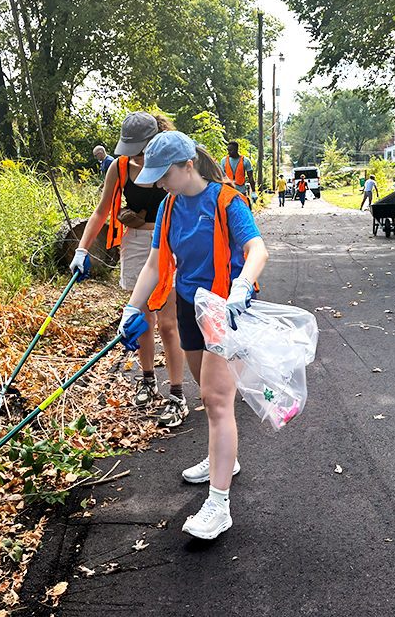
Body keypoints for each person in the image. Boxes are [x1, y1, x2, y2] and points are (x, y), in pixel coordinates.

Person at [118, 130, 268, 540]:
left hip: (226, 308)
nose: (159, 184)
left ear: (188, 167)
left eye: (164, 175)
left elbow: (257, 250)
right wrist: (133, 307)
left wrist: (242, 285)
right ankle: (224, 456)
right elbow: (154, 263)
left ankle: (219, 505)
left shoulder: (226, 200)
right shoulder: (168, 206)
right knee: (208, 392)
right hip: (189, 306)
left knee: (217, 401)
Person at [72, 112, 188, 428]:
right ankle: (148, 380)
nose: (136, 154)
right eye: (132, 148)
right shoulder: (119, 167)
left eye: (141, 148)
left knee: (167, 322)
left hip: (171, 241)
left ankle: (177, 394)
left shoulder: (173, 161)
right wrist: (82, 249)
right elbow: (100, 212)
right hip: (136, 243)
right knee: (142, 319)